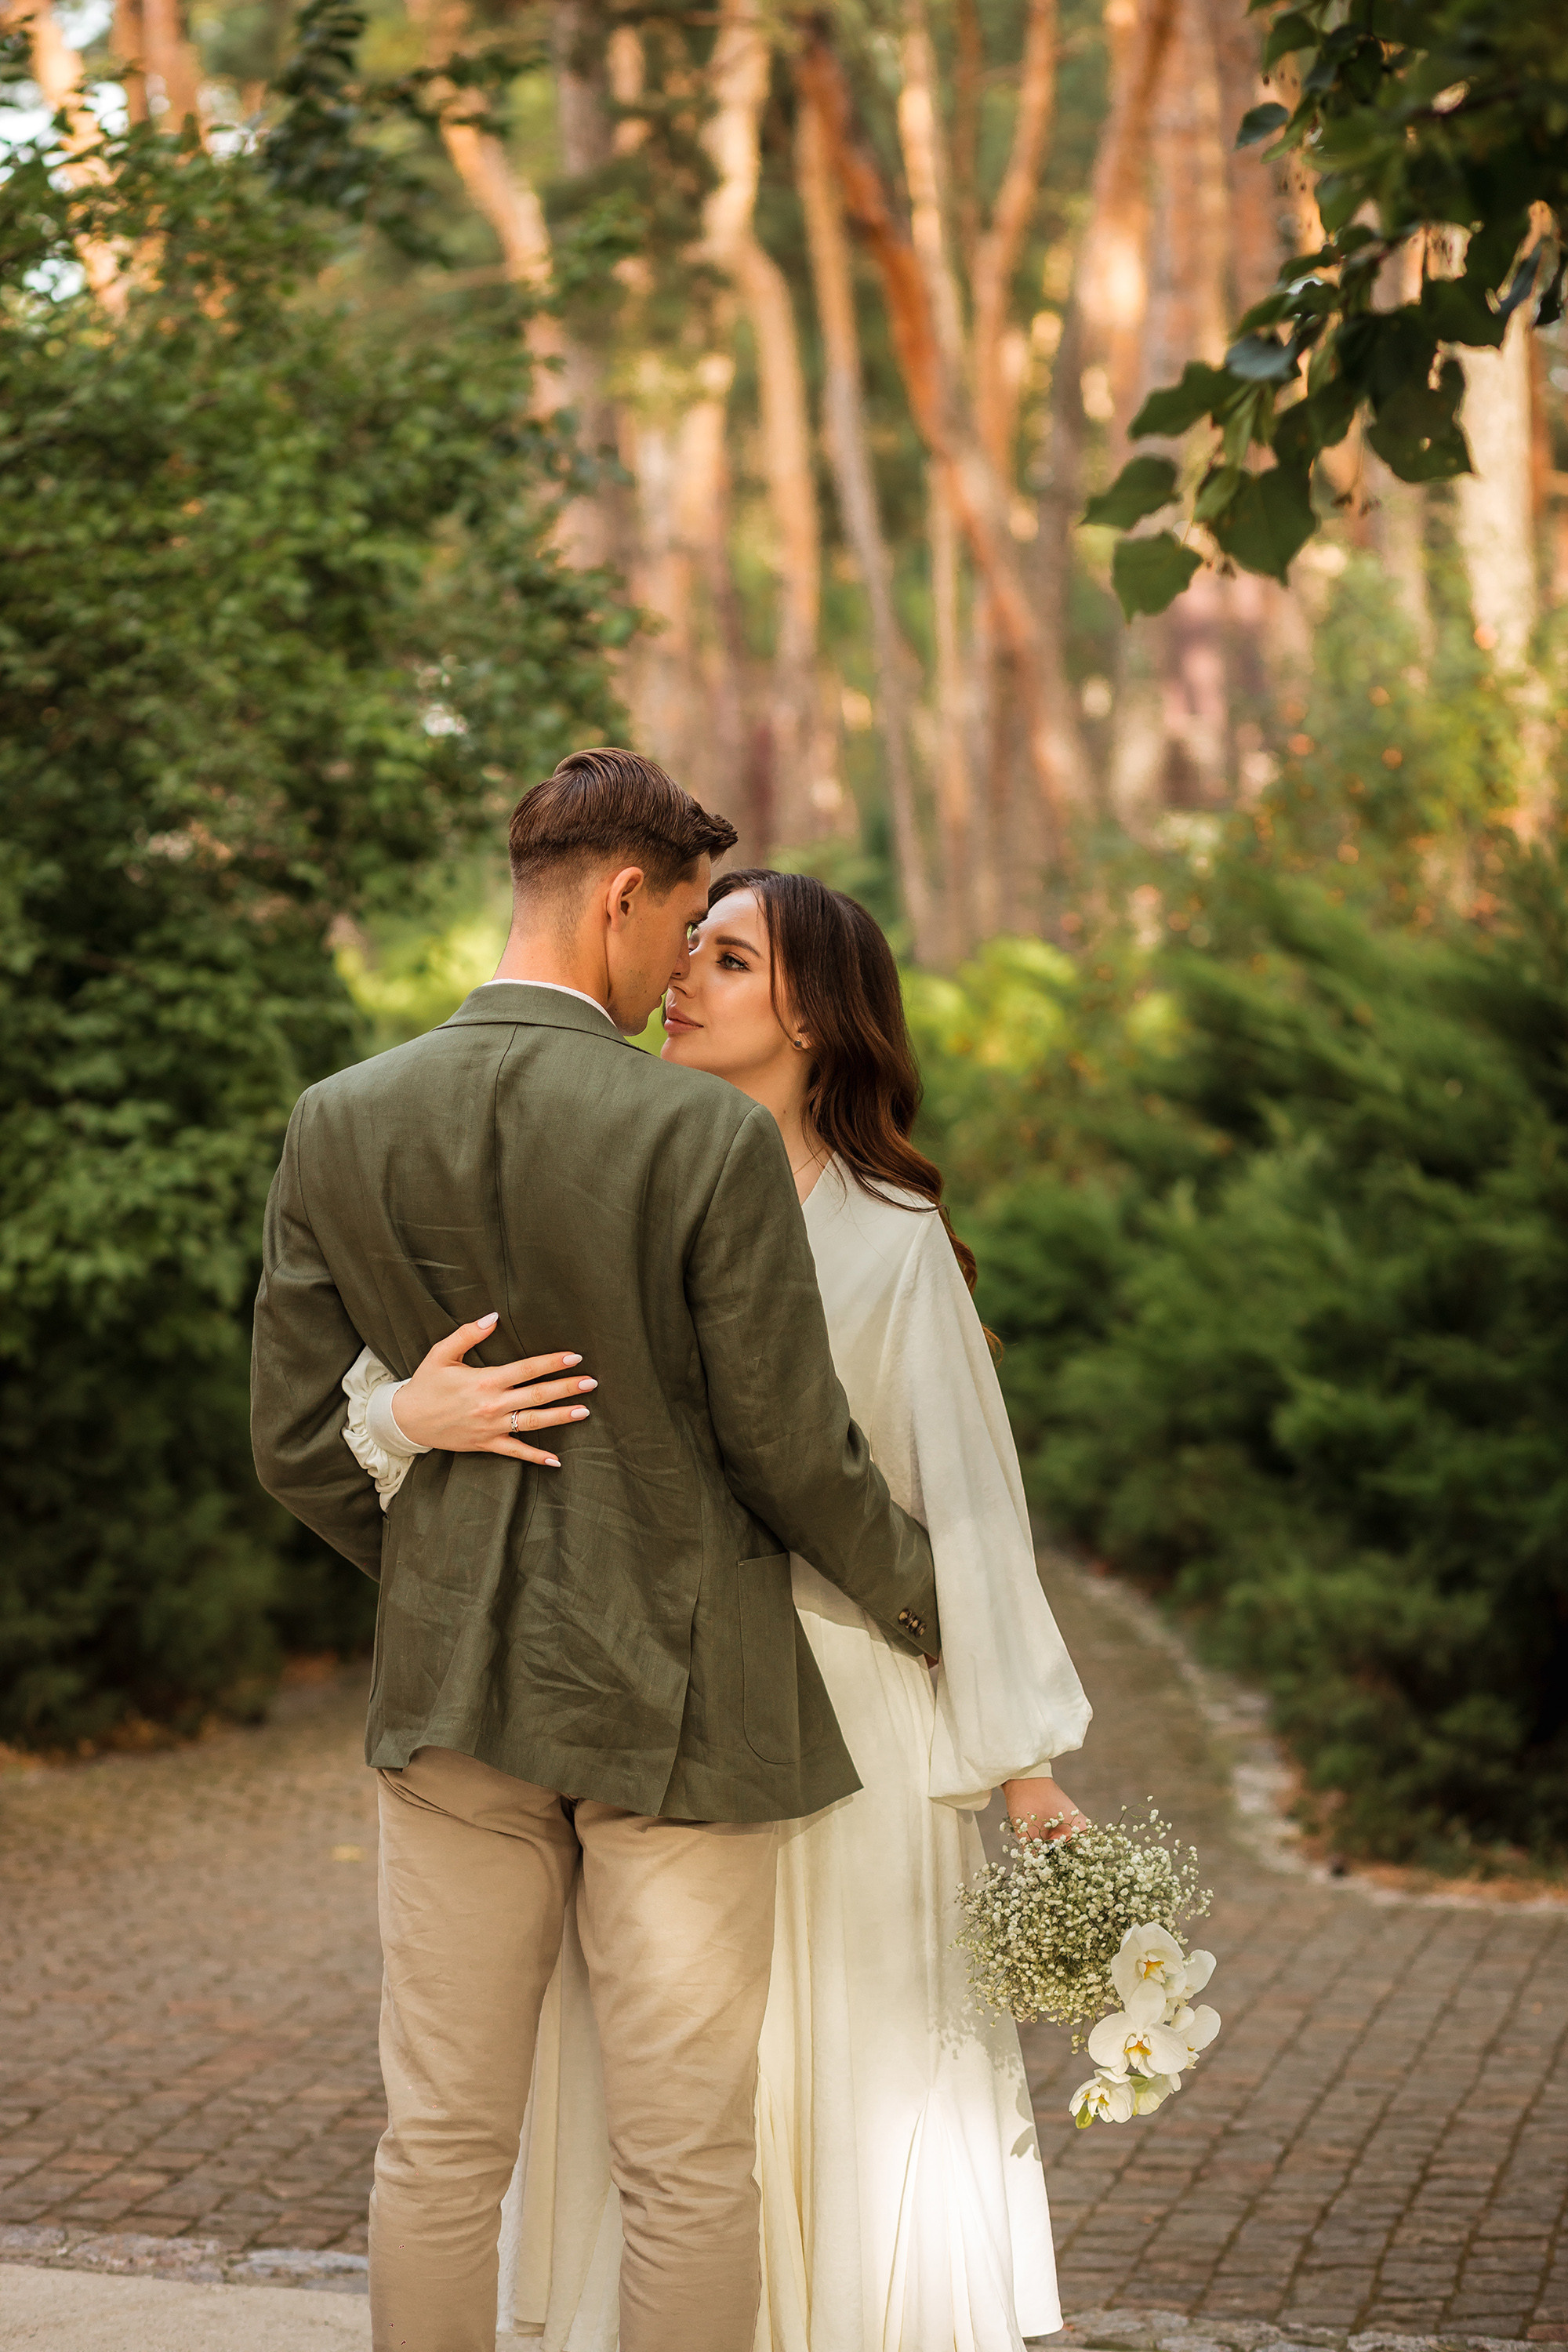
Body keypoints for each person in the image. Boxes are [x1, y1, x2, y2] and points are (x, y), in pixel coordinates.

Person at [249, 752, 943, 2352]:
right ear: (623, 898)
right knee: (685, 2167)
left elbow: (295, 1448)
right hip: (683, 1709)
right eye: (687, 925)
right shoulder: (696, 1138)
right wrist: (931, 1600)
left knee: (438, 2145)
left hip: (453, 1708)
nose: (677, 973)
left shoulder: (338, 1120)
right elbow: (790, 1450)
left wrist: (432, 1537)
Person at [352, 867, 1094, 2350]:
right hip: (635, 1715)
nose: (683, 978)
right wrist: (395, 1414)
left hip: (849, 1726)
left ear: (817, 1015)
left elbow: (968, 1517)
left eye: (733, 960)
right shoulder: (605, 1178)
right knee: (671, 2132)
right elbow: (456, 1374)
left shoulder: (889, 1242)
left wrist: (1023, 1762)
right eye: (686, 947)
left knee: (834, 2101)